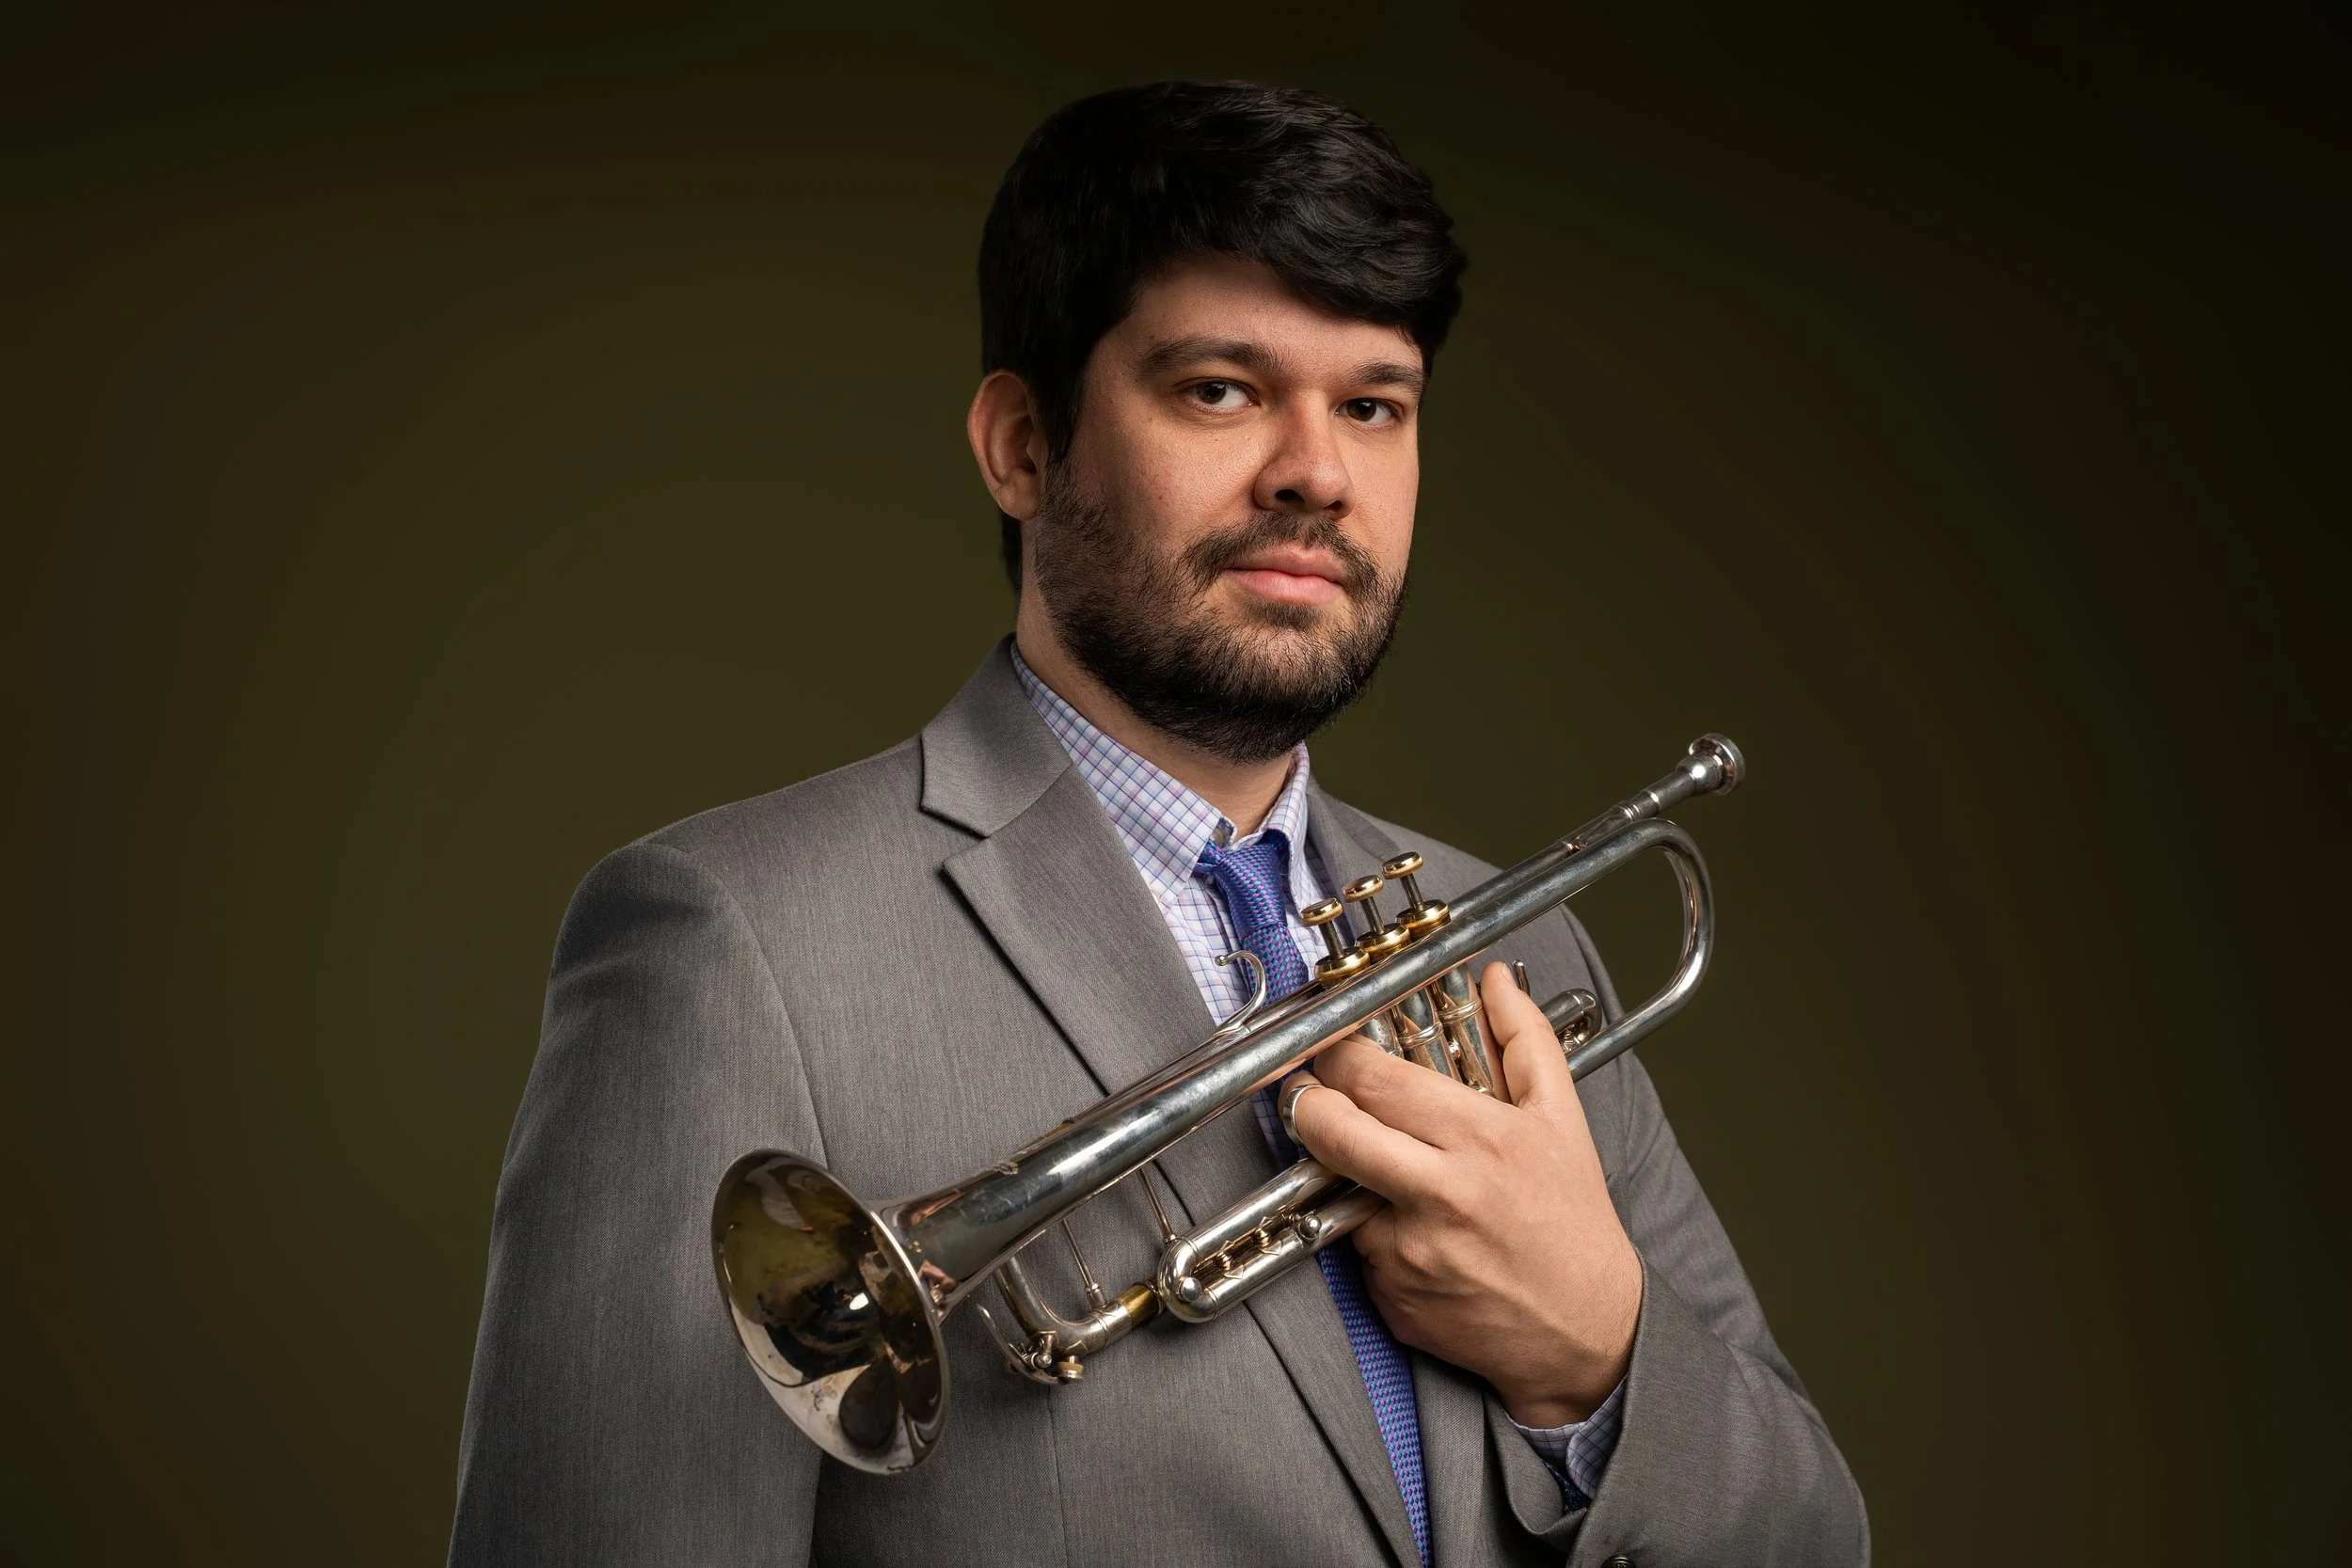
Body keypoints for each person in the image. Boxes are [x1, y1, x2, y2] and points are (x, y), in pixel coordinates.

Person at [449, 81, 1867, 1567]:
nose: (1319, 470)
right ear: (1021, 445)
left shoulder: (1514, 939)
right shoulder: (729, 945)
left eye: (1373, 404)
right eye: (1220, 389)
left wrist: (1594, 1360)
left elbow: (1816, 1538)